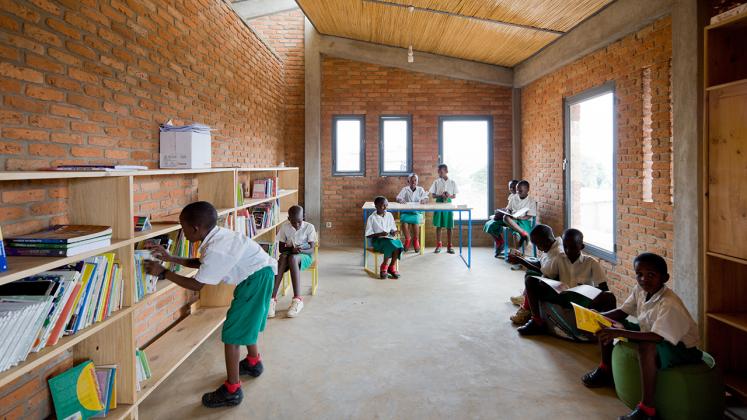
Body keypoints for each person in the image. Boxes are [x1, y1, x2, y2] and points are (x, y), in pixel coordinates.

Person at [144, 201, 276, 408]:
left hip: (255, 280)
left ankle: (232, 390)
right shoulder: (216, 236)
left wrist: (163, 272)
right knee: (247, 322)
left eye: (183, 226)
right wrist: (171, 258)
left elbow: (196, 284)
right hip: (260, 275)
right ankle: (253, 363)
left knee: (232, 334)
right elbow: (202, 263)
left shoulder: (217, 249)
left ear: (195, 229)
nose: (182, 231)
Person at [582, 253, 702, 420]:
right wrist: (598, 316)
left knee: (645, 347)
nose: (644, 279)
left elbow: (657, 337)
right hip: (652, 331)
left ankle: (647, 410)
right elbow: (621, 312)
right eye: (639, 274)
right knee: (606, 324)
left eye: (651, 275)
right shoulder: (640, 290)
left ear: (665, 278)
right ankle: (605, 369)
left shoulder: (669, 303)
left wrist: (619, 332)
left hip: (681, 348)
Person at [517, 228, 611, 336]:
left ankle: (605, 329)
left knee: (608, 297)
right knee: (530, 280)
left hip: (583, 301)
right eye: (565, 246)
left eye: (573, 247)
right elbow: (546, 274)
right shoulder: (559, 258)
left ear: (581, 246)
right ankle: (537, 321)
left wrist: (597, 300)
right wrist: (544, 283)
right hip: (562, 296)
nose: (568, 251)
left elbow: (603, 287)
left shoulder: (591, 263)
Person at [506, 224, 563, 325]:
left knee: (530, 280)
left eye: (538, 244)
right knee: (531, 268)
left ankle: (532, 315)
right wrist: (522, 259)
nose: (538, 248)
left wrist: (521, 261)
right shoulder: (551, 246)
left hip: (557, 289)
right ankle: (526, 298)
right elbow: (541, 264)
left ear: (547, 240)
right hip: (550, 278)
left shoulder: (557, 253)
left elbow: (545, 273)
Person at [268, 205, 316, 319]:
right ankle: (272, 299)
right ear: (289, 219)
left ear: (303, 217)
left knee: (292, 258)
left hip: (304, 256)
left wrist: (300, 249)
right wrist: (291, 249)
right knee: (284, 257)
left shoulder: (309, 227)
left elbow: (312, 249)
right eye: (293, 222)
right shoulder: (285, 227)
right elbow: (281, 248)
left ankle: (297, 299)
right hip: (289, 254)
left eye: (299, 222)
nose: (297, 225)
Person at [366, 196, 404, 279]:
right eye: (382, 205)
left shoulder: (389, 215)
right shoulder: (372, 218)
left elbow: (392, 228)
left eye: (386, 205)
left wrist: (393, 232)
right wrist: (380, 234)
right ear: (376, 206)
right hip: (377, 241)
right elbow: (368, 235)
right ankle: (384, 266)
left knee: (399, 244)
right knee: (390, 244)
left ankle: (391, 266)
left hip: (389, 238)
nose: (385, 207)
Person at [484, 179, 520, 257]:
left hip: (512, 219)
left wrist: (504, 212)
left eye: (514, 187)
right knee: (488, 223)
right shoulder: (511, 196)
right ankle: (500, 242)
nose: (512, 189)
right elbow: (508, 208)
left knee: (493, 224)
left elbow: (516, 211)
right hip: (507, 216)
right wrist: (501, 211)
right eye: (510, 187)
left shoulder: (520, 197)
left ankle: (500, 244)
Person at [429, 164, 459, 254]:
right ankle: (438, 245)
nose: (439, 173)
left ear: (446, 171)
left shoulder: (452, 182)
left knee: (449, 226)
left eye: (441, 171)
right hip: (439, 204)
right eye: (438, 171)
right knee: (439, 226)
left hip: (448, 204)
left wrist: (449, 195)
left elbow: (454, 196)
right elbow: (433, 195)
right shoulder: (436, 182)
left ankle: (450, 246)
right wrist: (440, 195)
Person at [396, 173, 429, 253]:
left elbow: (426, 198)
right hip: (406, 212)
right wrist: (400, 200)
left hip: (417, 212)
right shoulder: (405, 189)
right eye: (412, 180)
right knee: (404, 221)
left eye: (415, 180)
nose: (413, 182)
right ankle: (408, 239)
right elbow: (398, 197)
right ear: (408, 181)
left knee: (416, 221)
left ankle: (416, 240)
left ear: (417, 181)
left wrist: (424, 200)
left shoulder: (420, 189)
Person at [502, 180, 537, 249]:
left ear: (527, 190)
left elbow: (529, 215)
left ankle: (517, 252)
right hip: (513, 220)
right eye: (517, 190)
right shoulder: (513, 198)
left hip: (524, 221)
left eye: (520, 191)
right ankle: (524, 234)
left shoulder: (531, 201)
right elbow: (509, 208)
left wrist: (521, 218)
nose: (518, 192)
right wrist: (508, 212)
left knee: (516, 234)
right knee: (505, 217)